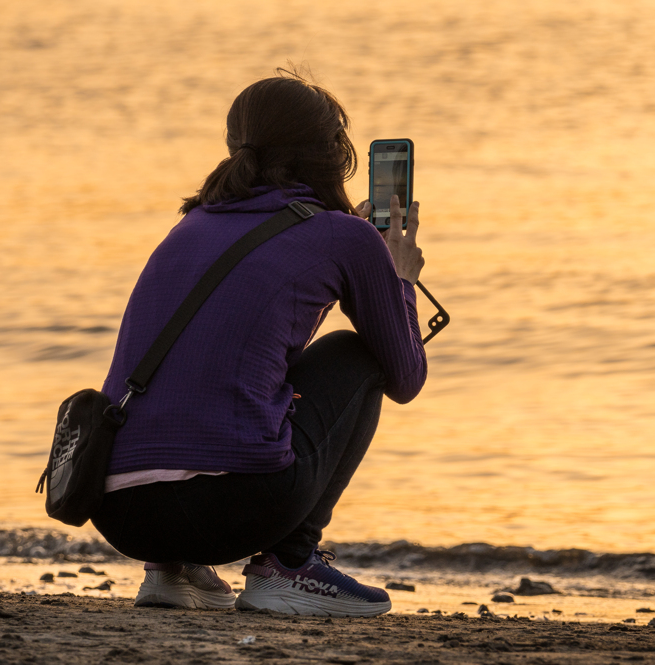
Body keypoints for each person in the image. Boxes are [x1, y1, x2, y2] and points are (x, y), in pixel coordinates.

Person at [90, 72, 428, 617]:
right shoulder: (347, 235)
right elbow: (406, 378)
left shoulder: (191, 223)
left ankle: (171, 571)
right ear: (333, 153)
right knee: (355, 352)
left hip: (120, 514)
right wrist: (399, 279)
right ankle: (289, 565)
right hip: (233, 508)